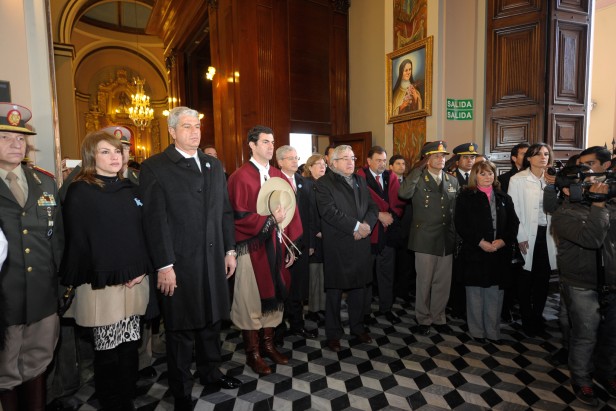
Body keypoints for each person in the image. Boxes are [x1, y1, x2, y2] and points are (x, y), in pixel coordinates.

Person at [140, 106, 241, 410]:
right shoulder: (155, 167)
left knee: (211, 322)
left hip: (212, 263)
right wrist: (164, 265)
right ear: (172, 131)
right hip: (179, 264)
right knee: (181, 330)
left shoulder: (212, 164)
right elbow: (154, 222)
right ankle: (180, 388)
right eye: (186, 127)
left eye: (197, 126)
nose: (194, 132)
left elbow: (224, 211)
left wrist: (230, 250)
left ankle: (211, 373)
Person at [60, 131, 151, 410]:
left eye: (118, 151)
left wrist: (141, 268)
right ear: (91, 156)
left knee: (129, 344)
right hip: (101, 281)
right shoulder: (81, 190)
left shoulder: (130, 189)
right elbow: (79, 241)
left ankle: (126, 397)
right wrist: (114, 271)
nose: (115, 157)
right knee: (107, 349)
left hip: (135, 278)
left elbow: (144, 233)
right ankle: (110, 400)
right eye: (105, 152)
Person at [0, 103, 64, 410]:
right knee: (5, 372)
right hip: (4, 299)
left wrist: (60, 286)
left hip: (42, 295)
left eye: (21, 138)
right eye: (5, 137)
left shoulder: (45, 182)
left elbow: (58, 241)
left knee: (38, 363)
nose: (16, 144)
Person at [227, 125, 300, 376]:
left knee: (275, 299)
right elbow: (237, 216)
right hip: (252, 248)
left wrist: (289, 243)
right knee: (250, 300)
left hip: (277, 245)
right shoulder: (240, 177)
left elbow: (289, 212)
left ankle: (269, 346)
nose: (270, 146)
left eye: (272, 142)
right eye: (265, 142)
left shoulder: (278, 175)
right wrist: (269, 219)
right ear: (252, 145)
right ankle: (253, 353)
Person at [551, 166, 616, 406]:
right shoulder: (563, 214)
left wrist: (604, 203)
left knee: (611, 335)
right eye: (587, 183)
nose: (593, 187)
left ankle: (607, 374)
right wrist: (599, 206)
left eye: (595, 181)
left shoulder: (608, 207)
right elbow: (591, 239)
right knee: (585, 334)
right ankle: (581, 379)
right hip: (580, 283)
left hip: (610, 281)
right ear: (568, 190)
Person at [316, 145, 378, 352]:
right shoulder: (324, 183)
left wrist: (367, 225)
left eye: (352, 158)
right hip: (338, 243)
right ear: (333, 163)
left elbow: (372, 207)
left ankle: (357, 327)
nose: (351, 162)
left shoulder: (360, 180)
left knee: (359, 287)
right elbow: (328, 212)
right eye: (345, 158)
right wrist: (355, 226)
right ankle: (333, 333)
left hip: (360, 242)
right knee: (334, 290)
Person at [398, 141, 458, 336]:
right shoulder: (418, 179)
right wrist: (417, 170)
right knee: (424, 281)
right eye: (436, 156)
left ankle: (439, 317)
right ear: (426, 159)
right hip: (424, 238)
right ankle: (423, 318)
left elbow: (454, 212)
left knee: (442, 282)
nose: (441, 159)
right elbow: (403, 193)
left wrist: (456, 237)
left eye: (443, 156)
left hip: (445, 238)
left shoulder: (452, 181)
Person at [454, 161, 519, 343]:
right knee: (475, 294)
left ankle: (492, 331)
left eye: (490, 173)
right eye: (483, 174)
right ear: (475, 176)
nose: (487, 177)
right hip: (475, 252)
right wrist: (480, 242)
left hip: (498, 253)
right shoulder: (465, 197)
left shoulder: (504, 198)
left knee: (494, 294)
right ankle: (477, 332)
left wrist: (503, 241)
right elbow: (461, 224)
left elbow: (514, 223)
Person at [507, 142, 558, 338]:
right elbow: (514, 211)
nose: (543, 157)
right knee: (525, 279)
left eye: (546, 154)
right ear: (529, 158)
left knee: (543, 280)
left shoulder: (553, 180)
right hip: (528, 235)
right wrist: (520, 236)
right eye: (538, 154)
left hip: (549, 236)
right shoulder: (518, 179)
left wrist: (554, 185)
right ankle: (527, 319)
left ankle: (538, 317)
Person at [357, 146, 405, 325]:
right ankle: (365, 311)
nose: (382, 164)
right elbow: (360, 202)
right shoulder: (360, 177)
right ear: (369, 161)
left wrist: (390, 216)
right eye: (378, 160)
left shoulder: (390, 176)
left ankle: (386, 307)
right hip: (369, 232)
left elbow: (398, 200)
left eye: (384, 160)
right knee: (366, 275)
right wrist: (379, 214)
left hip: (387, 232)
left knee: (387, 273)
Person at [275, 145, 317, 339]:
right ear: (280, 161)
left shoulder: (305, 182)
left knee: (299, 287)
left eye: (296, 157)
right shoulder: (273, 181)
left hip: (300, 244)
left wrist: (310, 244)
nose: (294, 161)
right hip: (280, 244)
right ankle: (278, 327)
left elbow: (310, 216)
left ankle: (297, 324)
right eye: (290, 158)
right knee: (281, 286)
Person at [302, 154, 327, 325]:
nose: (322, 166)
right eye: (317, 164)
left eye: (324, 164)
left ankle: (323, 306)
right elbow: (307, 215)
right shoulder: (307, 185)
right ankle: (312, 309)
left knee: (325, 274)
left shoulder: (327, 184)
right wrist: (315, 234)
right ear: (310, 167)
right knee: (314, 276)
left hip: (328, 237)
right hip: (313, 236)